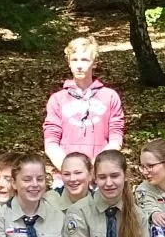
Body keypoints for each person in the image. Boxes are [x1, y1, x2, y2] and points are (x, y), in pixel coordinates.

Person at [43, 36, 126, 175]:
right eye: (75, 60)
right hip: (66, 176)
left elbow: (116, 138)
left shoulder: (110, 96)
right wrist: (69, 170)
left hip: (100, 174)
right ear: (69, 63)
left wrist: (96, 167)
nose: (79, 65)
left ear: (94, 63)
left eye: (85, 60)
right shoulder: (57, 99)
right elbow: (51, 141)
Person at [133, 139, 165, 226]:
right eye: (143, 167)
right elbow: (148, 208)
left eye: (150, 166)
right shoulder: (143, 189)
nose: (145, 172)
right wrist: (154, 215)